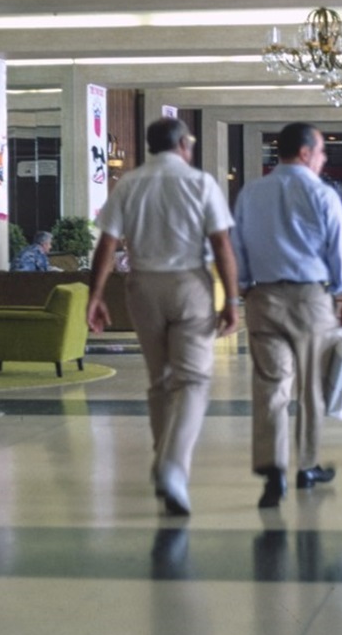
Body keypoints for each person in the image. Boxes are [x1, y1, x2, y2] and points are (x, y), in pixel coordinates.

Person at [86, 117, 239, 518]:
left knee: (161, 382)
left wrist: (96, 294)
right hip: (189, 284)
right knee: (193, 381)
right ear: (184, 144)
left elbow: (107, 242)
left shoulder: (130, 183)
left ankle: (161, 460)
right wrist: (233, 300)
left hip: (142, 286)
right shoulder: (201, 182)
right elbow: (221, 243)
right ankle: (174, 468)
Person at [231, 122, 342, 510]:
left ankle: (273, 474)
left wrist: (245, 288)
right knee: (311, 388)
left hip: (262, 297)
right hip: (310, 300)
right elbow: (340, 252)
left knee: (271, 386)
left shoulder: (251, 192)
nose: (323, 160)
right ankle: (306, 466)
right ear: (305, 153)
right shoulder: (322, 193)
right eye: (321, 152)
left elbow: (236, 246)